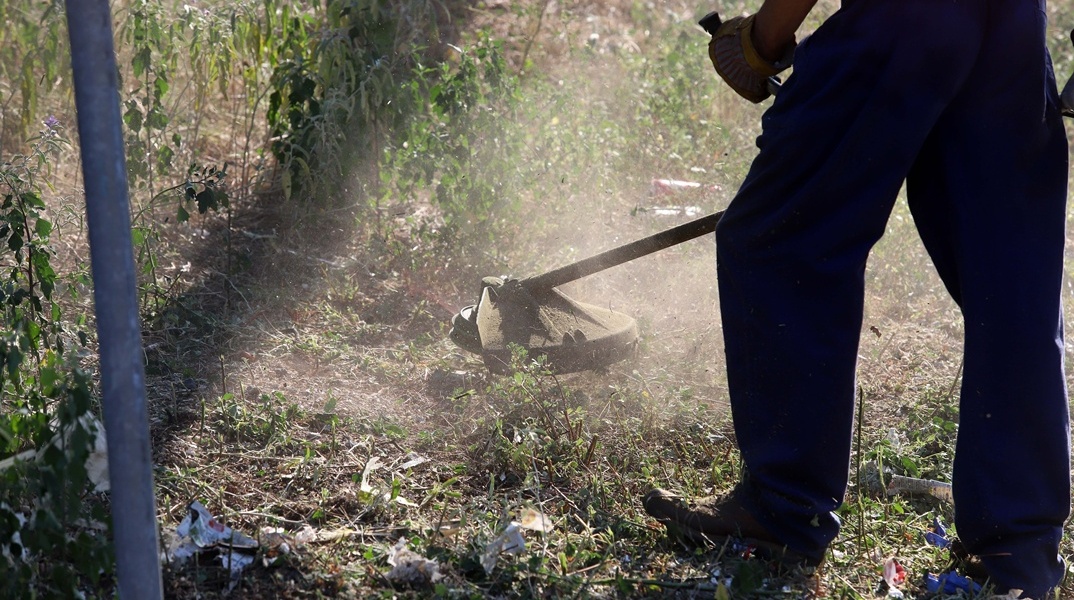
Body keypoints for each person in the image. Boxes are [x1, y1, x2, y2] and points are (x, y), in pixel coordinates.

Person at [642, 1, 1071, 597]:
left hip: (903, 19)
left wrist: (764, 39)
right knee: (1011, 284)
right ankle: (1018, 549)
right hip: (1010, 26)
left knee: (779, 237)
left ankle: (784, 510)